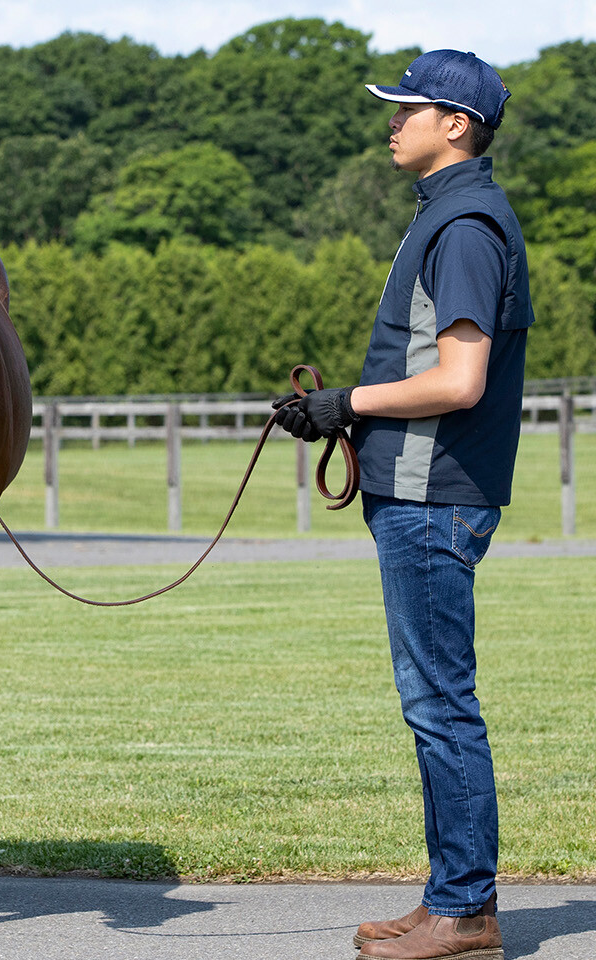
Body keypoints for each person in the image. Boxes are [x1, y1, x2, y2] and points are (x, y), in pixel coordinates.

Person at [273, 49, 532, 960]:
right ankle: (448, 900)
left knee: (440, 706)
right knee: (433, 702)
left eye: (408, 108)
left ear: (454, 124)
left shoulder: (464, 226)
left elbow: (459, 380)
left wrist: (345, 404)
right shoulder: (449, 215)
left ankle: (465, 912)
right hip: (421, 494)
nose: (393, 121)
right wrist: (341, 411)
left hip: (432, 500)